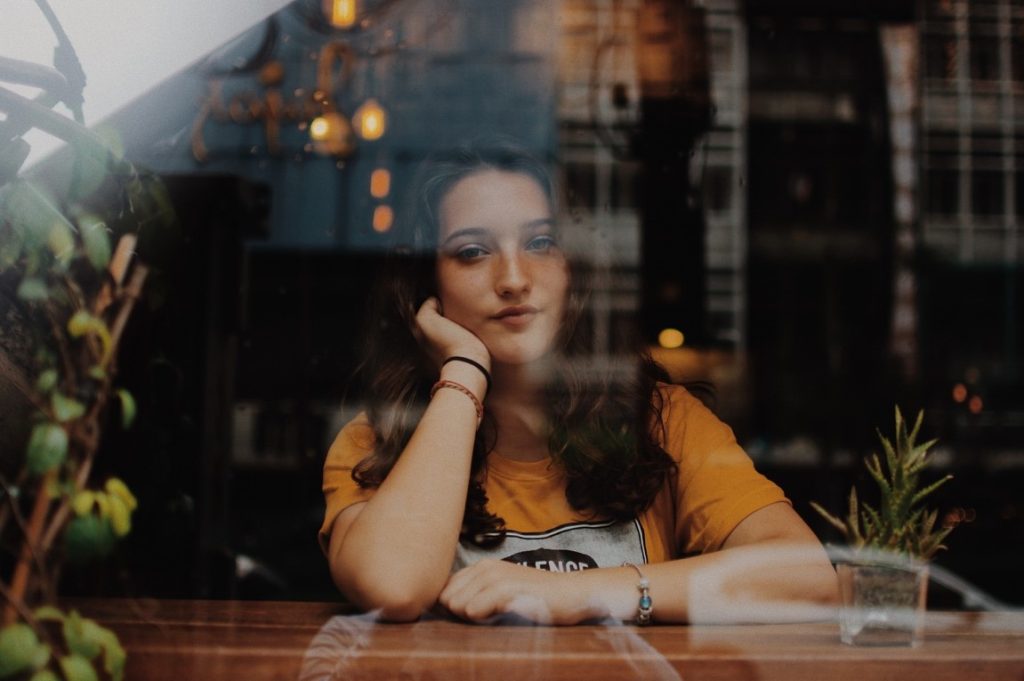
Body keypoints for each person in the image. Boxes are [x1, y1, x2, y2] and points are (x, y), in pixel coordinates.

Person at [319, 138, 838, 625]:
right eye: (473, 251)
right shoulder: (378, 440)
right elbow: (393, 586)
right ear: (427, 284)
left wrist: (581, 592)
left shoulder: (661, 420)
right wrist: (464, 370)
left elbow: (807, 580)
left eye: (541, 242)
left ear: (574, 269)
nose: (514, 278)